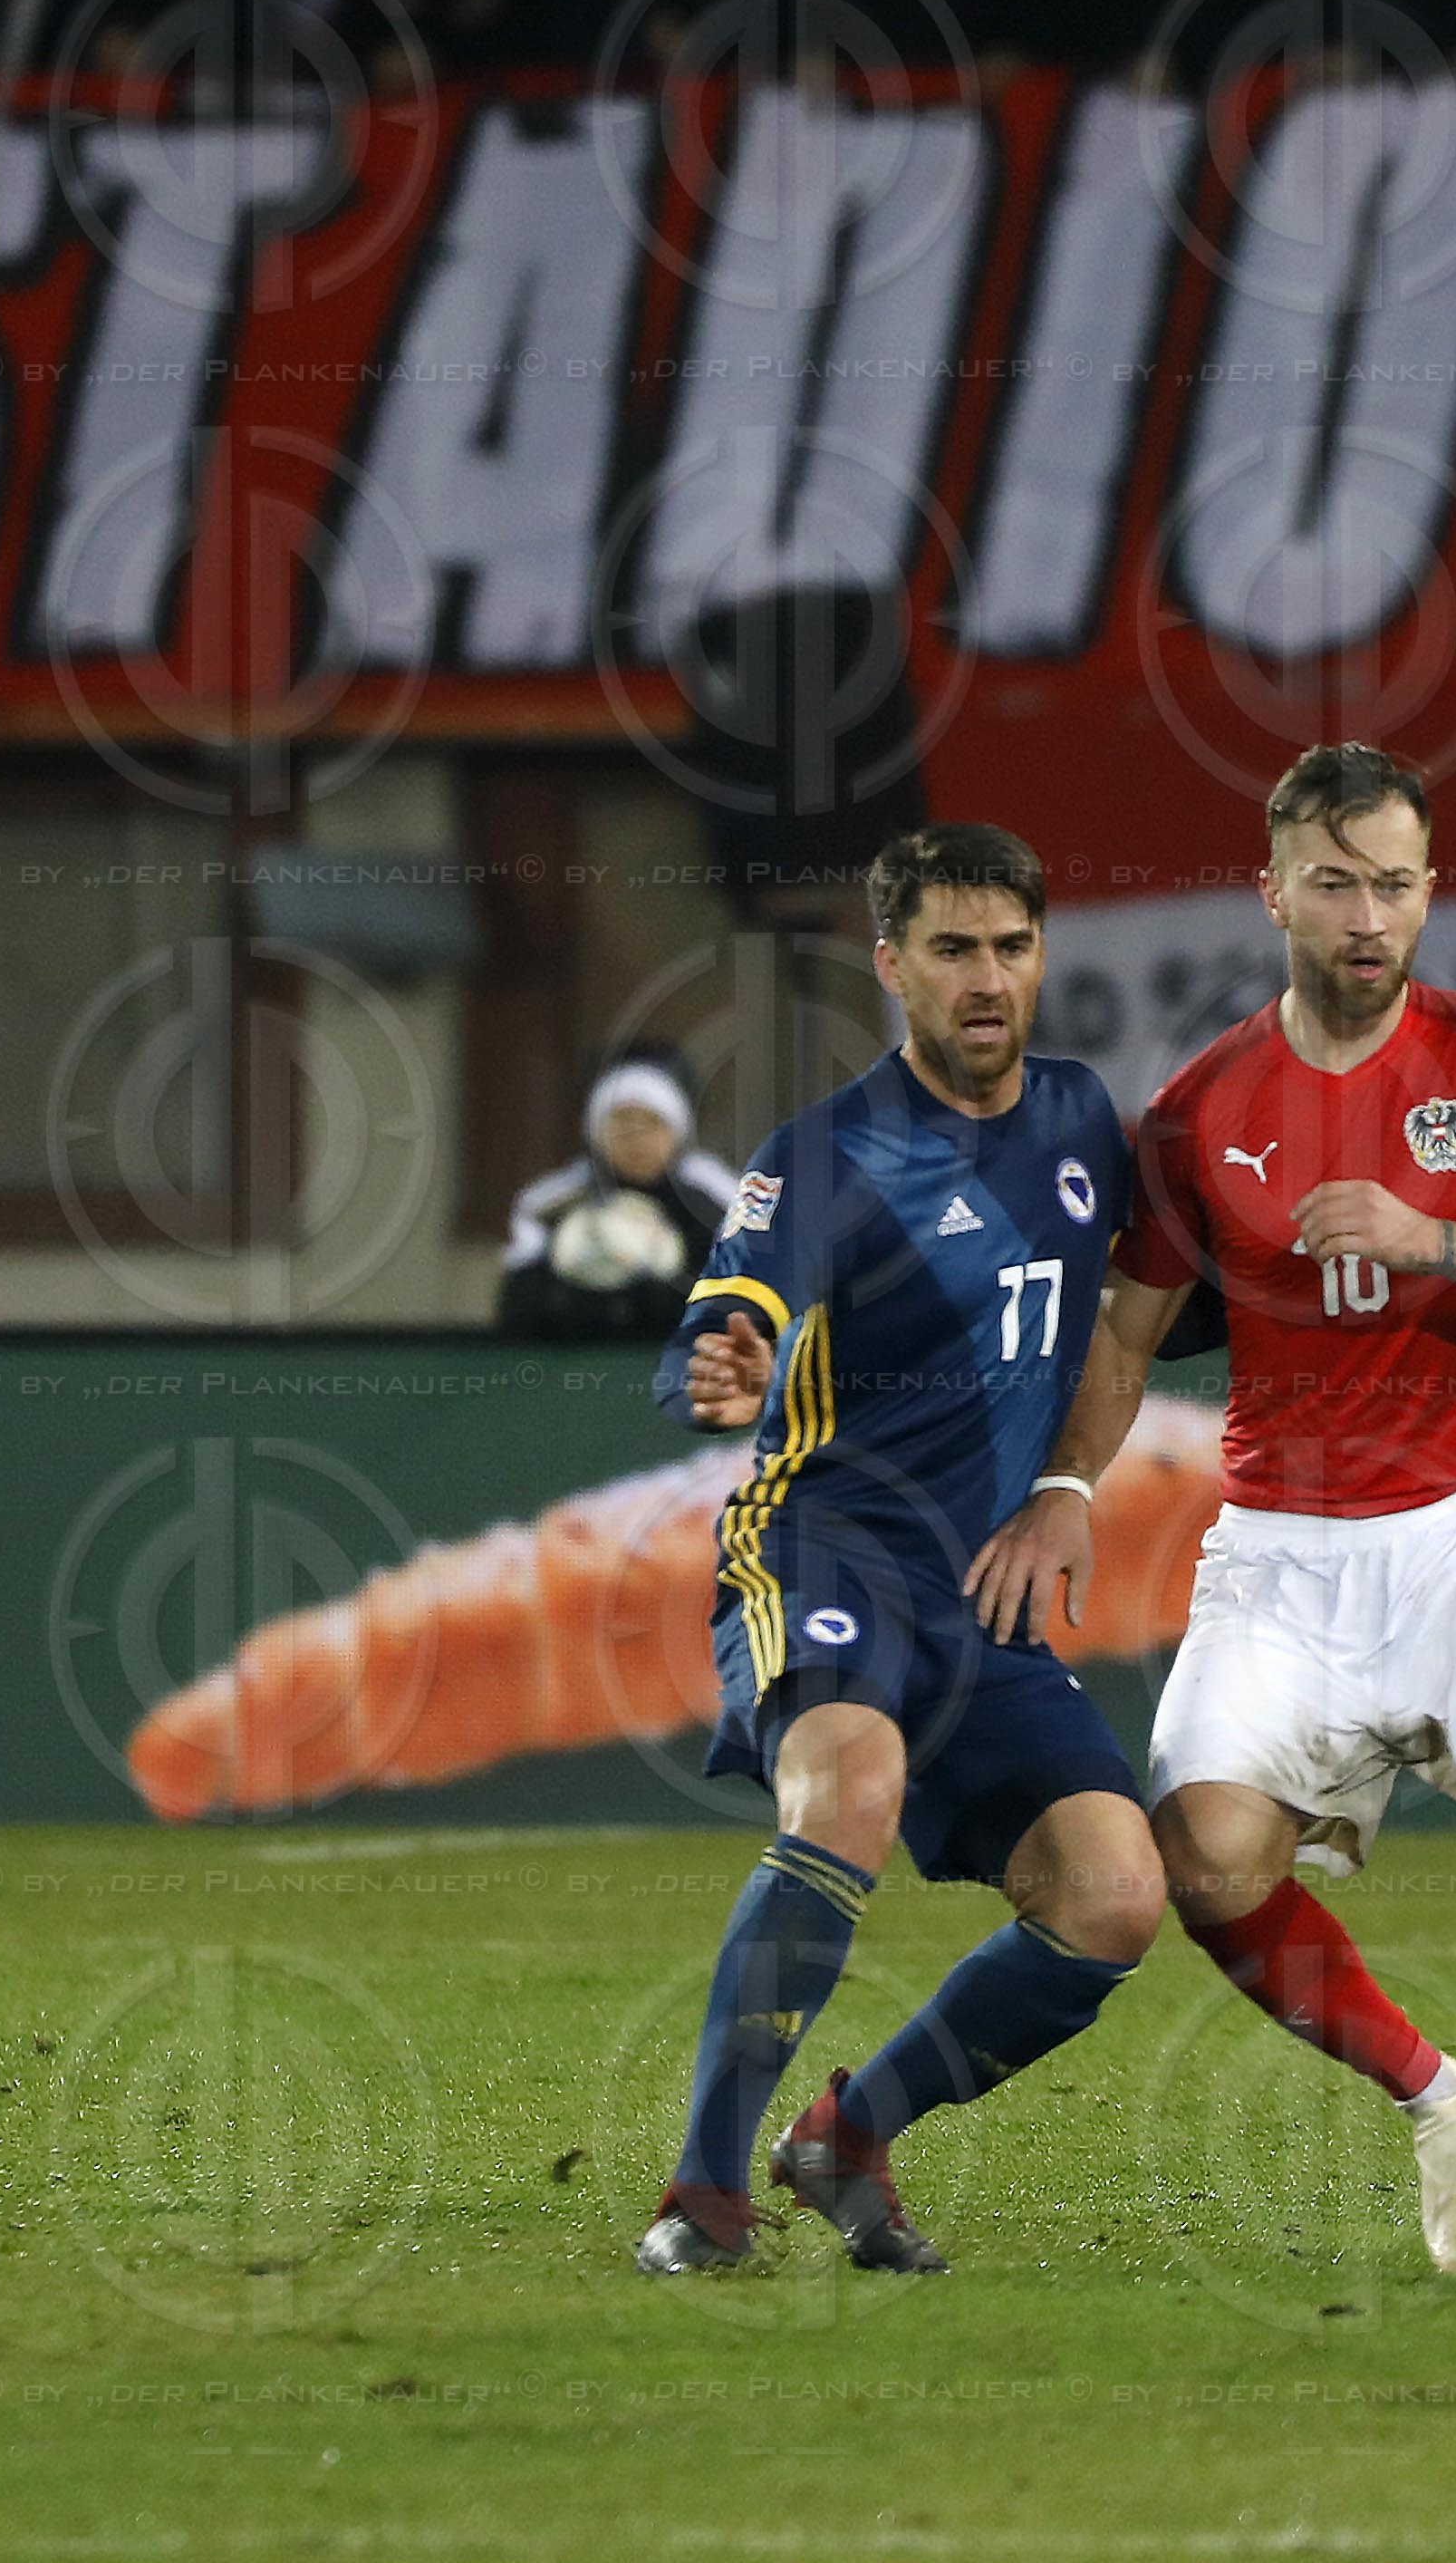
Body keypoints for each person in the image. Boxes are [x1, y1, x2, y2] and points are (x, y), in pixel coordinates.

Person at [1021, 742, 1456, 2286]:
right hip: (1281, 1540)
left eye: (1393, 883)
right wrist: (1065, 1482)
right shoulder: (1198, 1110)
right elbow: (1126, 1336)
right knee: (1202, 1864)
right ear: (1271, 889)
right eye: (1332, 881)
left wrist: (1436, 1237)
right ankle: (1436, 2091)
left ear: (1428, 891)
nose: (1364, 914)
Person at [631, 825, 1166, 2277]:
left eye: (1010, 946)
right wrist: (717, 1369)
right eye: (951, 949)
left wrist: (1069, 1480)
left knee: (1115, 1893)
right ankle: (703, 2193)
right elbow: (725, 1314)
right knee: (851, 1780)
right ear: (892, 968)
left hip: (977, 1590)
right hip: (823, 1546)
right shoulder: (824, 1154)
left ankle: (847, 2137)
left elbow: (1139, 1315)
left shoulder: (1080, 1121)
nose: (986, 978)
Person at [497, 1053, 738, 1341]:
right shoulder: (551, 1207)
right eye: (622, 1122)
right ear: (595, 1130)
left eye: (652, 1123)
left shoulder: (712, 1207)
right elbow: (519, 1309)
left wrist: (662, 1296)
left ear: (678, 1132)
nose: (637, 1139)